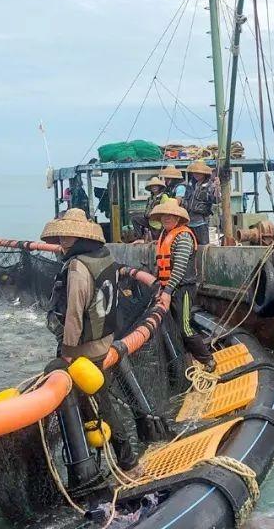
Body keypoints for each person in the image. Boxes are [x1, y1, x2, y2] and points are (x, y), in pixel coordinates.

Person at [41, 208, 138, 469]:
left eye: (67, 237)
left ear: (78, 237)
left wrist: (68, 350)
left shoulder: (77, 266)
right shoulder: (104, 256)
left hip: (84, 349)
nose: (62, 241)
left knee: (89, 396)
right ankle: (109, 458)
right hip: (105, 342)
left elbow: (74, 313)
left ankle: (117, 461)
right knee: (98, 398)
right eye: (60, 236)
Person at [148, 199, 216, 372]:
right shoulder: (164, 235)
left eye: (171, 216)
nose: (167, 218)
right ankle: (185, 362)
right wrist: (161, 287)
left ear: (177, 218)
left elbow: (179, 267)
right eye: (164, 215)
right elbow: (161, 265)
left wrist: (168, 291)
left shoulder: (183, 236)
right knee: (174, 327)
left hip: (183, 289)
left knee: (185, 327)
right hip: (169, 288)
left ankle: (207, 360)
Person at [181, 160, 220, 245]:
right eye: (195, 172)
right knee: (190, 246)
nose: (196, 174)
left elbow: (216, 199)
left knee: (203, 246)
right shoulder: (190, 185)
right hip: (189, 222)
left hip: (201, 222)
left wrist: (217, 188)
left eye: (199, 172)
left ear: (204, 174)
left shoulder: (210, 186)